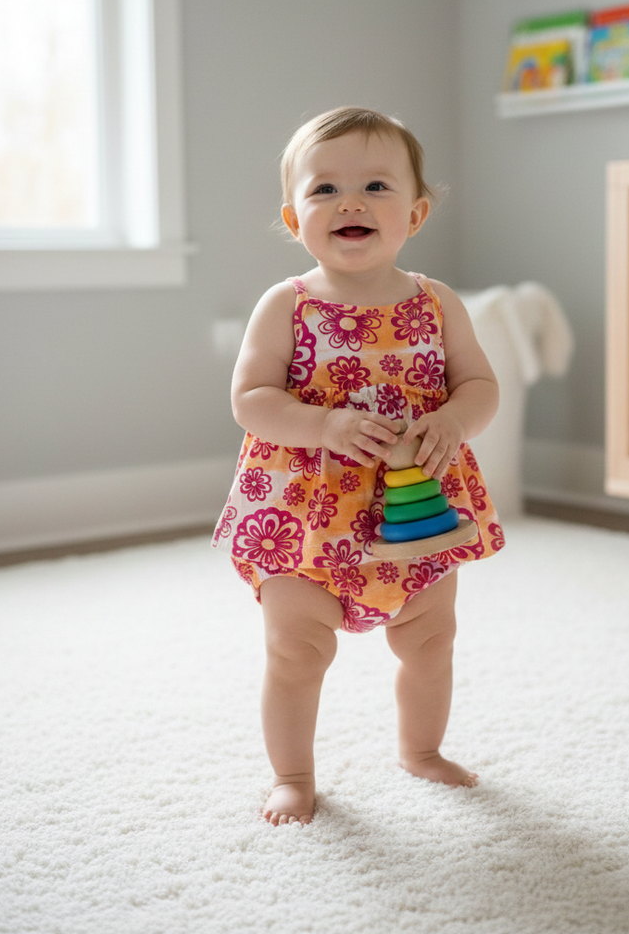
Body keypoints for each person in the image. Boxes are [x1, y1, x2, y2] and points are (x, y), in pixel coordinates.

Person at [213, 107, 504, 826]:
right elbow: (250, 399)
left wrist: (453, 419)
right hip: (303, 519)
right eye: (324, 190)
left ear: (417, 212)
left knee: (433, 641)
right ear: (293, 218)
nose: (350, 202)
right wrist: (324, 424)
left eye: (377, 186)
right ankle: (293, 774)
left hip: (416, 514)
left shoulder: (437, 304)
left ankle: (421, 750)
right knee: (295, 651)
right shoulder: (288, 304)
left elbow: (480, 386)